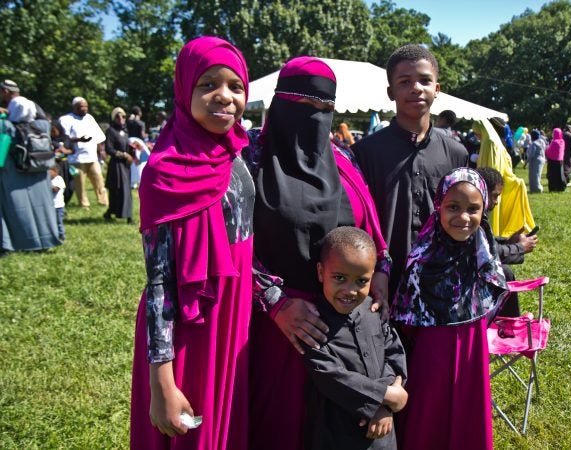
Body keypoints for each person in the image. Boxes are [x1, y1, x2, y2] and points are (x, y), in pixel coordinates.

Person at [246, 56, 393, 450]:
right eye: (304, 107)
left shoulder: (343, 161)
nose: (316, 118)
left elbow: (371, 228)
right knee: (281, 428)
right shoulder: (248, 161)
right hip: (279, 331)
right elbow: (233, 246)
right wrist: (276, 302)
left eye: (326, 109)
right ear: (279, 105)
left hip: (346, 327)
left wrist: (380, 272)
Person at [129, 36, 252, 449]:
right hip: (190, 322)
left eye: (236, 86)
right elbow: (159, 283)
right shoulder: (164, 171)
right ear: (185, 90)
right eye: (208, 85)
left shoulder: (235, 154)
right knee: (187, 431)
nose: (225, 96)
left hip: (234, 314)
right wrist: (161, 380)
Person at [392, 167, 508, 450]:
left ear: (484, 211)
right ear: (438, 205)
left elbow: (493, 295)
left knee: (468, 411)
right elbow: (406, 319)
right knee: (429, 414)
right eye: (453, 207)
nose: (463, 217)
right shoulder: (421, 258)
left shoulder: (484, 255)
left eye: (473, 208)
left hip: (472, 349)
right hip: (431, 352)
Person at [353, 44, 468, 294]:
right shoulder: (365, 152)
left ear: (437, 89)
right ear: (390, 92)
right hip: (383, 283)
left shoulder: (457, 153)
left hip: (440, 279)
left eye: (425, 80)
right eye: (404, 82)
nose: (416, 88)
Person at [302, 226, 408, 450]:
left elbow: (394, 352)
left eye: (361, 281)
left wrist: (386, 407)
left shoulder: (373, 311)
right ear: (321, 272)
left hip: (382, 436)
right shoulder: (314, 320)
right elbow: (328, 375)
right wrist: (384, 397)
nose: (350, 290)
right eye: (340, 278)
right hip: (336, 435)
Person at [0, 87, 61, 255]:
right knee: (43, 210)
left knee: (16, 211)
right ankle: (45, 241)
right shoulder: (43, 126)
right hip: (40, 174)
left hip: (14, 176)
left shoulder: (7, 127)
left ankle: (10, 244)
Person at [476, 167, 538, 317]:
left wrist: (508, 242)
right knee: (505, 273)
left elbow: (486, 240)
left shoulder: (478, 213)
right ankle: (510, 322)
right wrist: (519, 248)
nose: (497, 202)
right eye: (495, 196)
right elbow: (485, 252)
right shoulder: (469, 215)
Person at [474, 118, 536, 236]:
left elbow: (490, 167)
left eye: (477, 133)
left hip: (491, 184)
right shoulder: (493, 141)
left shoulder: (489, 143)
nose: (476, 136)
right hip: (500, 182)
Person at [59, 97, 108, 209]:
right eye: (81, 106)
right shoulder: (66, 119)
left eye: (86, 106)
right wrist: (78, 140)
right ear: (75, 107)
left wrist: (101, 150)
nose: (84, 108)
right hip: (76, 158)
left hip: (92, 156)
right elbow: (63, 138)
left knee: (99, 180)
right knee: (79, 183)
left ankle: (103, 201)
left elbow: (99, 136)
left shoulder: (89, 118)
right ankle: (84, 204)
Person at [103, 107, 134, 224]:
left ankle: (128, 215)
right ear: (113, 118)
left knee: (126, 189)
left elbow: (127, 147)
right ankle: (111, 211)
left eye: (123, 116)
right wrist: (124, 155)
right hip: (116, 165)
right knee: (117, 189)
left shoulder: (125, 132)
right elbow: (109, 149)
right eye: (118, 116)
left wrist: (133, 151)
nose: (121, 118)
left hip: (125, 165)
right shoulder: (111, 131)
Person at [545, 127, 567, 192]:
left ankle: (552, 188)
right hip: (560, 160)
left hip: (552, 160)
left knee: (552, 175)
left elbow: (549, 151)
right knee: (560, 175)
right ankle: (561, 187)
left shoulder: (554, 142)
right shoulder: (562, 141)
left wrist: (546, 149)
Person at [49, 164, 66, 241]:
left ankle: (61, 235)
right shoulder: (47, 180)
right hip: (49, 206)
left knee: (59, 222)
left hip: (58, 206)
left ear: (55, 172)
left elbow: (55, 189)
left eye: (49, 171)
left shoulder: (59, 179)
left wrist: (47, 185)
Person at [527, 128, 546, 193]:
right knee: (538, 175)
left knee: (534, 175)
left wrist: (526, 162)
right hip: (542, 159)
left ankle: (536, 188)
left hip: (535, 160)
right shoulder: (542, 141)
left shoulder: (534, 143)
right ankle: (538, 187)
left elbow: (532, 154)